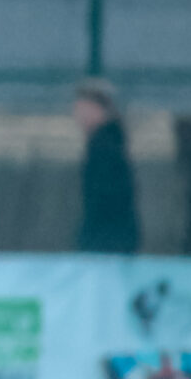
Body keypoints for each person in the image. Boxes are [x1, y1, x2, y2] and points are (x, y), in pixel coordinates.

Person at [73, 77, 140, 255]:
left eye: (82, 109)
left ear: (97, 109)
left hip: (107, 241)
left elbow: (106, 199)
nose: (78, 116)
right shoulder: (109, 143)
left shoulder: (105, 147)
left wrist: (91, 238)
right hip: (111, 238)